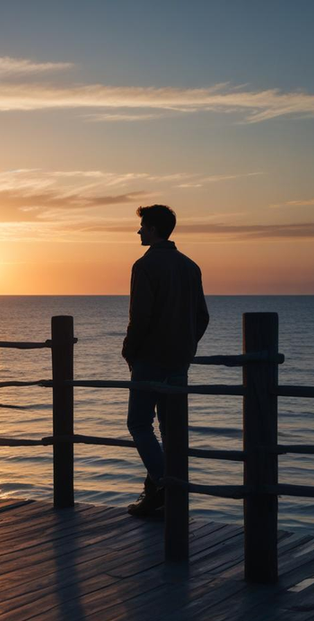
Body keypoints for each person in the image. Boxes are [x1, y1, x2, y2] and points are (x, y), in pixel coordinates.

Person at [122, 204, 209, 516]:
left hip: (149, 359)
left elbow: (140, 317)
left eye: (143, 226)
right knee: (171, 430)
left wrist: (129, 351)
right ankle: (160, 495)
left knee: (139, 424)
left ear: (154, 229)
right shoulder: (190, 266)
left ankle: (163, 485)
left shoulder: (144, 266)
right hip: (179, 360)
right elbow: (202, 317)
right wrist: (186, 346)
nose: (139, 231)